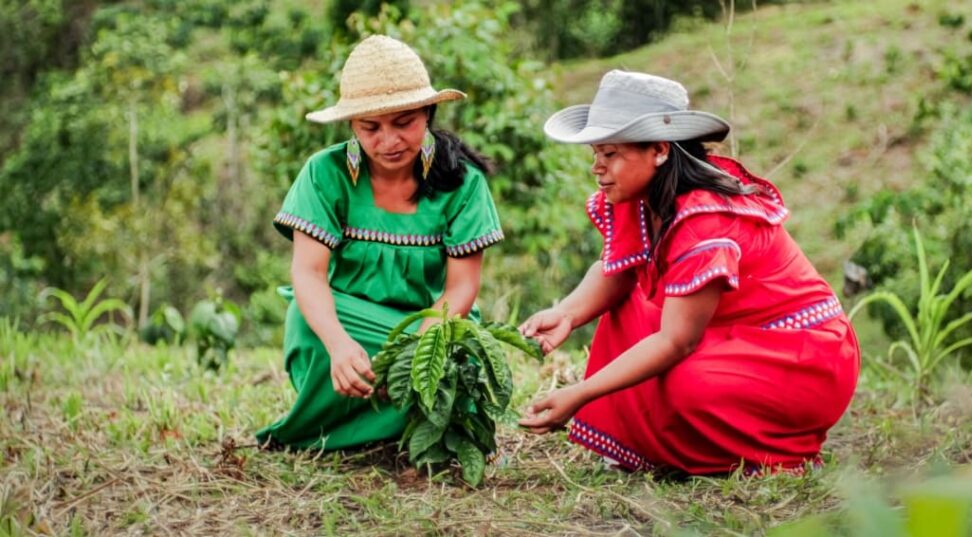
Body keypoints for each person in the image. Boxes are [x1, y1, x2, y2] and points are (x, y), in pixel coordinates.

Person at [518, 70, 860, 475]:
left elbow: (677, 341)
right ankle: (661, 445)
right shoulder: (640, 195)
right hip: (735, 333)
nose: (598, 167)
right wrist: (568, 314)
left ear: (660, 150)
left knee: (687, 385)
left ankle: (776, 453)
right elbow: (619, 270)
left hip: (797, 353)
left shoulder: (703, 218)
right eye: (596, 154)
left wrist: (581, 394)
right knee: (628, 314)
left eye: (610, 154)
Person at [256, 35, 503, 451]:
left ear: (428, 112)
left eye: (403, 122)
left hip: (430, 323)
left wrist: (415, 356)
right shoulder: (324, 173)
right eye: (370, 127)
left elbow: (461, 287)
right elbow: (308, 273)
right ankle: (338, 423)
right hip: (350, 322)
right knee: (306, 317)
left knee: (459, 360)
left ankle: (405, 427)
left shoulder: (464, 183)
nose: (388, 141)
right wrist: (337, 342)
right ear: (352, 125)